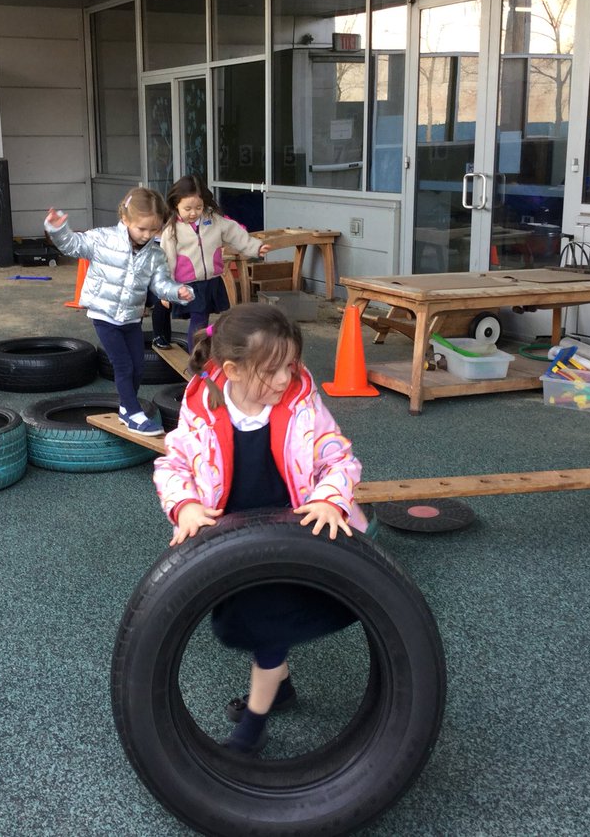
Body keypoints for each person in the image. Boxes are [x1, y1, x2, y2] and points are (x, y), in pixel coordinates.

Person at [152, 303, 369, 754]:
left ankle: (253, 725)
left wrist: (330, 498)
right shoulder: (203, 405)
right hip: (233, 539)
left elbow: (338, 456)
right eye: (270, 371)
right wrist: (186, 504)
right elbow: (172, 463)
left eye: (290, 366)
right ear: (231, 369)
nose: (283, 380)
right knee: (248, 622)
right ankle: (281, 688)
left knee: (269, 629)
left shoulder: (301, 402)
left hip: (293, 535)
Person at [44, 188, 194, 435]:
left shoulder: (155, 255)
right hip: (104, 315)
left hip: (132, 317)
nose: (147, 235)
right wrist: (58, 229)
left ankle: (127, 408)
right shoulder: (102, 239)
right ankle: (133, 411)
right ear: (125, 220)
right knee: (123, 365)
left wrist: (178, 292)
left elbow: (160, 284)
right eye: (142, 229)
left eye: (154, 230)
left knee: (138, 365)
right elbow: (72, 245)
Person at [159, 175, 270, 350]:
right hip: (189, 285)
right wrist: (166, 291)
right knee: (198, 320)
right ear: (175, 205)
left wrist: (255, 248)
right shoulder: (171, 230)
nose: (193, 213)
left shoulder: (213, 220)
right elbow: (165, 261)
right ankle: (195, 359)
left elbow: (234, 232)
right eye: (187, 208)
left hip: (212, 280)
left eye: (198, 207)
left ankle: (203, 352)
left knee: (205, 319)